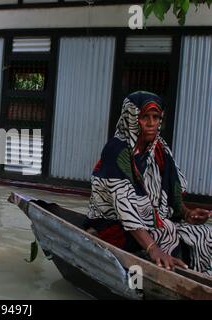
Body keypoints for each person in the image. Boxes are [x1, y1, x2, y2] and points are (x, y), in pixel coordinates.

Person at [87, 91, 211, 275]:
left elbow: (171, 192)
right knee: (169, 237)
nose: (152, 123)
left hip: (151, 221)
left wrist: (187, 213)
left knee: (206, 234)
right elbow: (124, 206)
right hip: (116, 224)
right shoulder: (117, 150)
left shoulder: (160, 149)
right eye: (145, 117)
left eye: (156, 117)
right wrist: (153, 248)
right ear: (132, 118)